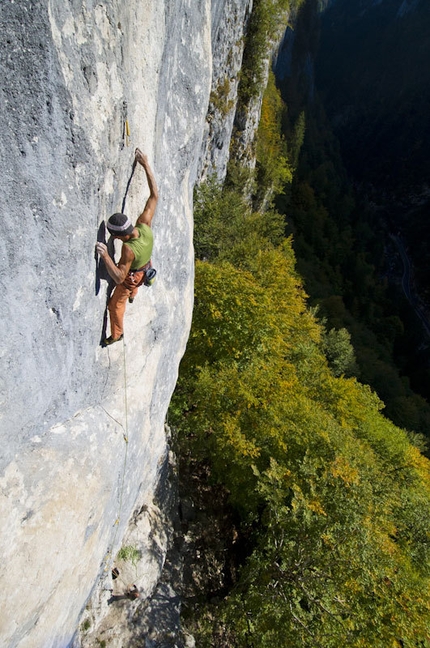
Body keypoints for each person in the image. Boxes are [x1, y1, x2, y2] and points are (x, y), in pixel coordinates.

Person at [96, 148, 158, 345]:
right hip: (146, 264)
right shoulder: (144, 224)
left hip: (134, 275)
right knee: (135, 279)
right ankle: (134, 293)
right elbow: (154, 196)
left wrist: (105, 255)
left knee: (115, 305)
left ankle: (117, 334)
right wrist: (145, 164)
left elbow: (120, 277)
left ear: (117, 235)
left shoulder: (128, 250)